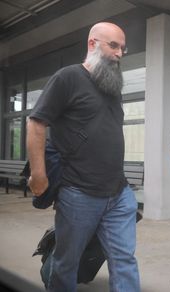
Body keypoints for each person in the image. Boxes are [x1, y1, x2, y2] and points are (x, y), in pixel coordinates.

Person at [26, 22, 140, 291]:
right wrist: (39, 174)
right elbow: (36, 123)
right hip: (78, 193)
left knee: (124, 259)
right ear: (92, 44)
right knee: (67, 263)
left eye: (123, 48)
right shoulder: (68, 77)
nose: (120, 53)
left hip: (119, 193)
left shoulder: (112, 88)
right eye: (114, 45)